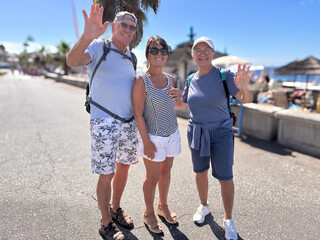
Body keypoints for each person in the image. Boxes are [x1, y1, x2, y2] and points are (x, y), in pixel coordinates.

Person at [67, 3, 139, 240]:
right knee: (106, 172)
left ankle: (115, 208)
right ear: (114, 27)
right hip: (104, 121)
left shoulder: (132, 56)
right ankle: (105, 222)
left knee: (124, 167)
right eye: (123, 25)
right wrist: (87, 36)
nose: (127, 30)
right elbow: (72, 60)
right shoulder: (100, 47)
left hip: (128, 123)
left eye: (132, 26)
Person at [182, 36, 254, 240]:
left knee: (225, 177)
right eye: (198, 50)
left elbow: (246, 100)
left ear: (213, 54)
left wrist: (246, 87)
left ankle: (228, 219)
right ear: (193, 55)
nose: (202, 54)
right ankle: (204, 206)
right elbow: (183, 103)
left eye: (207, 50)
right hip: (196, 130)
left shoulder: (225, 75)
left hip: (221, 132)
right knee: (200, 172)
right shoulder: (190, 79)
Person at [132, 36, 182, 234]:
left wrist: (180, 97)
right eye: (154, 50)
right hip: (153, 137)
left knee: (166, 172)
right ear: (147, 54)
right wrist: (146, 142)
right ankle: (149, 212)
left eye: (163, 50)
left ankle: (163, 205)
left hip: (173, 133)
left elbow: (176, 106)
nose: (159, 54)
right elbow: (138, 113)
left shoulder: (170, 79)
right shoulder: (141, 80)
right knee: (152, 177)